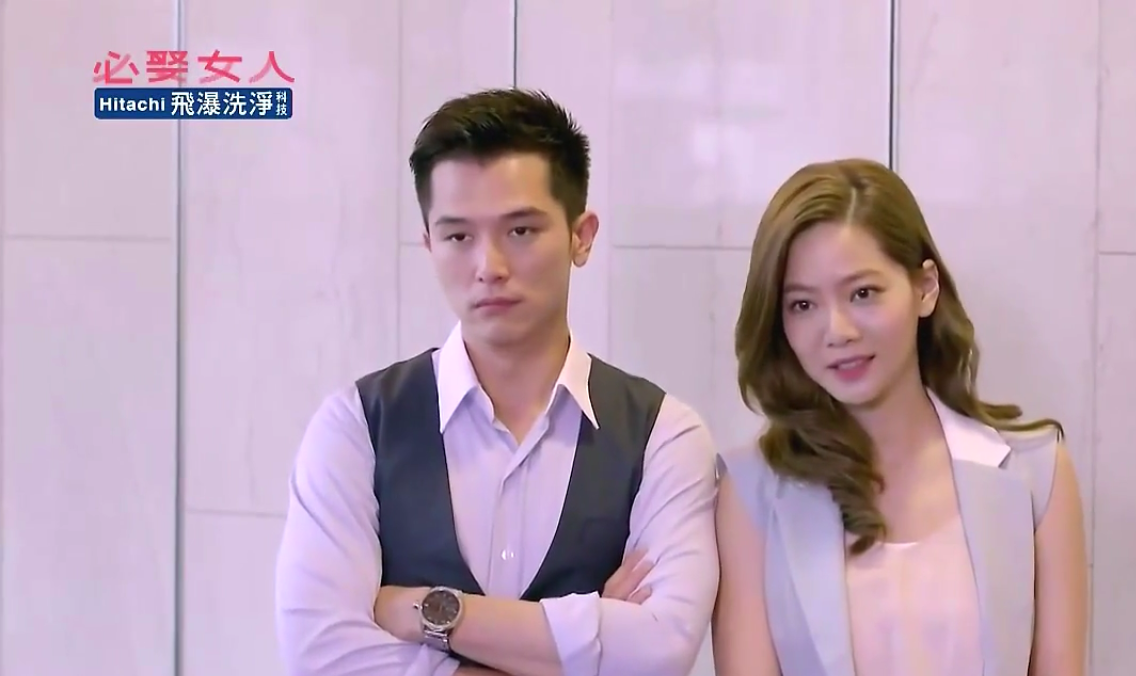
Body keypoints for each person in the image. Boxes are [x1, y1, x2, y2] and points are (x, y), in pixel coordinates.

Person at [274, 88, 719, 676]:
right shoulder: (357, 425)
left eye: (521, 231)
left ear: (581, 236)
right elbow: (319, 653)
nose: (489, 267)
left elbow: (660, 651)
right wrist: (587, 648)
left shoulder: (664, 435)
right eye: (458, 237)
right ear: (429, 244)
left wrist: (426, 612)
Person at [712, 158, 1088, 676]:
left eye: (862, 293)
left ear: (925, 288)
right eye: (802, 305)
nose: (837, 331)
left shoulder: (1036, 475)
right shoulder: (751, 490)